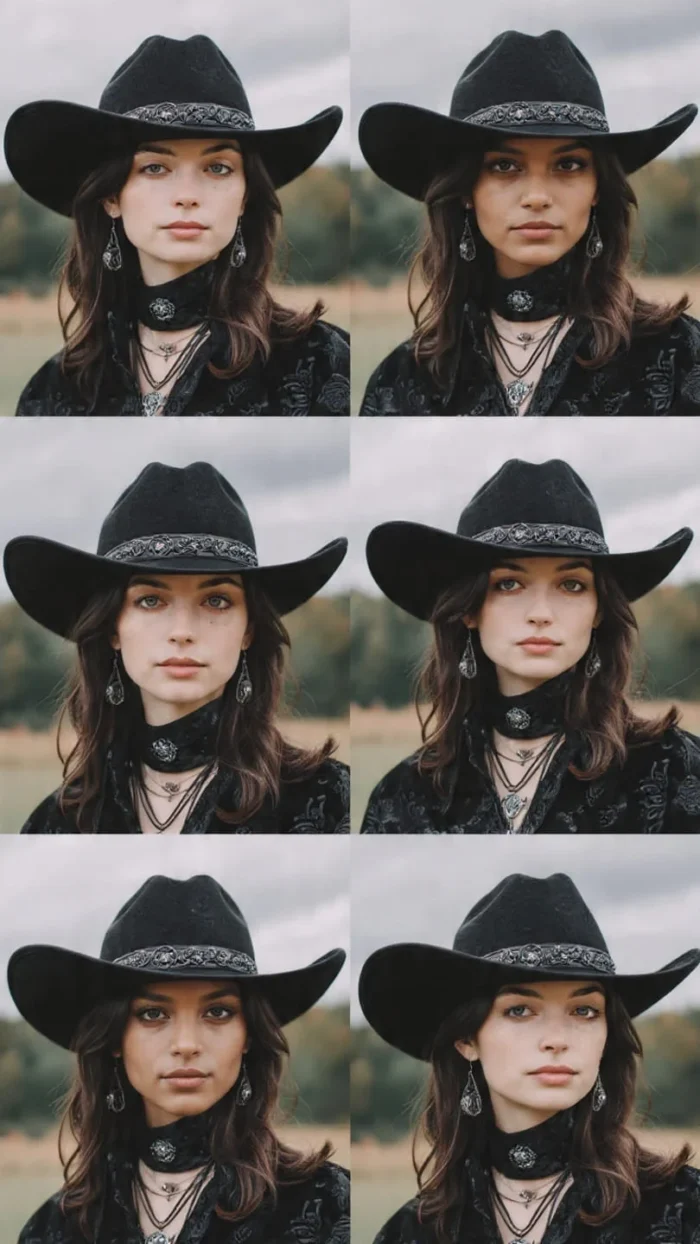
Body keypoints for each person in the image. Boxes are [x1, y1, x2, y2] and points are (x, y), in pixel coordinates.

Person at [358, 29, 700, 416]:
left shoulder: (681, 357)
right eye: (505, 166)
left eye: (568, 164)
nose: (537, 196)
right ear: (467, 189)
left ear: (598, 188)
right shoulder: (402, 380)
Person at [5, 34, 349, 416]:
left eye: (217, 168)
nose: (187, 195)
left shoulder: (323, 363)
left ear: (245, 197)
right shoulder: (52, 393)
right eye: (155, 168)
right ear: (111, 197)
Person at [3, 461, 349, 833]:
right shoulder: (56, 823)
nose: (182, 631)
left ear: (249, 630)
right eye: (151, 600)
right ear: (113, 629)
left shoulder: (328, 801)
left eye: (216, 600)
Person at [361, 457, 700, 833]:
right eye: (509, 584)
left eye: (572, 585)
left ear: (599, 611)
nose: (540, 614)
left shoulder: (676, 771)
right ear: (469, 609)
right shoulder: (402, 798)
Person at [359, 870, 700, 1242]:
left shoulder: (682, 1210)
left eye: (584, 1011)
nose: (557, 1040)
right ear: (466, 1039)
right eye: (519, 1010)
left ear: (607, 1036)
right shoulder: (412, 1232)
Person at [9, 872, 350, 1243]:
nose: (186, 1044)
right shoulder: (54, 1229)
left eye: (217, 1012)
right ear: (114, 1039)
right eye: (153, 1014)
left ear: (249, 1035)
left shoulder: (328, 1206)